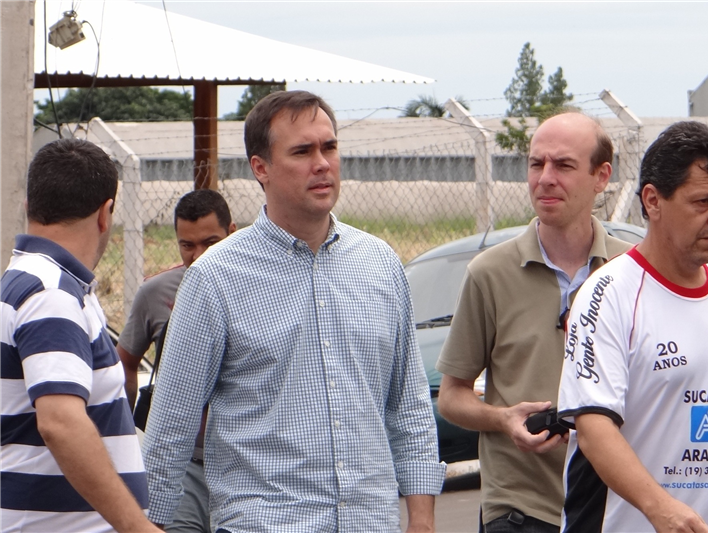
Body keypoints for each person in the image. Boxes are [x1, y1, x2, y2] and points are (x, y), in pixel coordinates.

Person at [142, 90, 445, 533]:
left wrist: (422, 519)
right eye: (302, 151)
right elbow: (171, 430)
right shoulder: (214, 279)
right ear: (260, 167)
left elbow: (408, 405)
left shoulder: (380, 264)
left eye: (330, 147)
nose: (322, 163)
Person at [557, 121, 708, 532]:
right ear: (653, 201)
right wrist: (661, 508)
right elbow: (594, 427)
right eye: (703, 201)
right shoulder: (608, 294)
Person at [436, 113, 632, 532]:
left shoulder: (630, 270)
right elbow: (451, 397)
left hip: (613, 502)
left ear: (602, 177)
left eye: (563, 165)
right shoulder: (489, 273)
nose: (545, 178)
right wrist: (503, 419)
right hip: (520, 507)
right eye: (535, 163)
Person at [0, 139, 159, 533]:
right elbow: (61, 423)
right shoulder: (50, 294)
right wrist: (138, 528)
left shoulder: (24, 284)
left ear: (29, 206)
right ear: (105, 213)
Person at [118, 189, 235, 533]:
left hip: (241, 463)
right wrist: (122, 434)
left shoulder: (259, 290)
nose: (198, 256)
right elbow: (125, 362)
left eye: (210, 242)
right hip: (181, 466)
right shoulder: (156, 293)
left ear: (232, 232)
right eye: (187, 245)